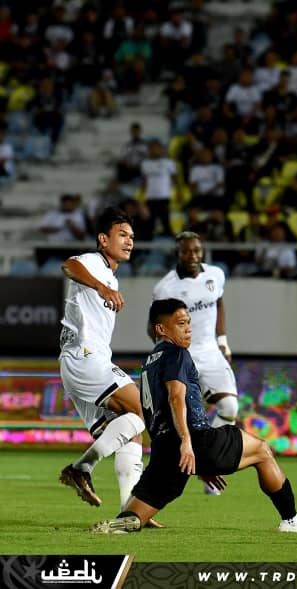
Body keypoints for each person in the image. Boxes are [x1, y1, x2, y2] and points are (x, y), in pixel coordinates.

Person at [91, 299, 297, 534]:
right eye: (180, 323)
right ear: (161, 329)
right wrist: (189, 444)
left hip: (164, 451)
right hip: (196, 440)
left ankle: (121, 524)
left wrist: (197, 461)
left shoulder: (150, 362)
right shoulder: (177, 354)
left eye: (189, 322)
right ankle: (291, 521)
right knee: (262, 451)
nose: (188, 328)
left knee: (135, 516)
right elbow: (176, 397)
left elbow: (149, 408)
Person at [57, 208, 161, 527]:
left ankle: (130, 512)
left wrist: (105, 286)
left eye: (132, 236)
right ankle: (82, 468)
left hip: (84, 361)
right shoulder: (93, 263)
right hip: (85, 358)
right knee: (145, 413)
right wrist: (101, 288)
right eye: (122, 235)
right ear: (104, 239)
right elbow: (68, 265)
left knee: (131, 432)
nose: (129, 241)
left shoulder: (111, 275)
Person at [152, 232, 238, 495]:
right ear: (178, 254)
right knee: (182, 419)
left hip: (211, 351)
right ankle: (180, 470)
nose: (193, 256)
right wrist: (168, 353)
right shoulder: (166, 288)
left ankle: (208, 462)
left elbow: (218, 302)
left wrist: (222, 340)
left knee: (229, 406)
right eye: (187, 252)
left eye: (197, 251)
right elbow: (154, 327)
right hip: (183, 354)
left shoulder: (215, 275)